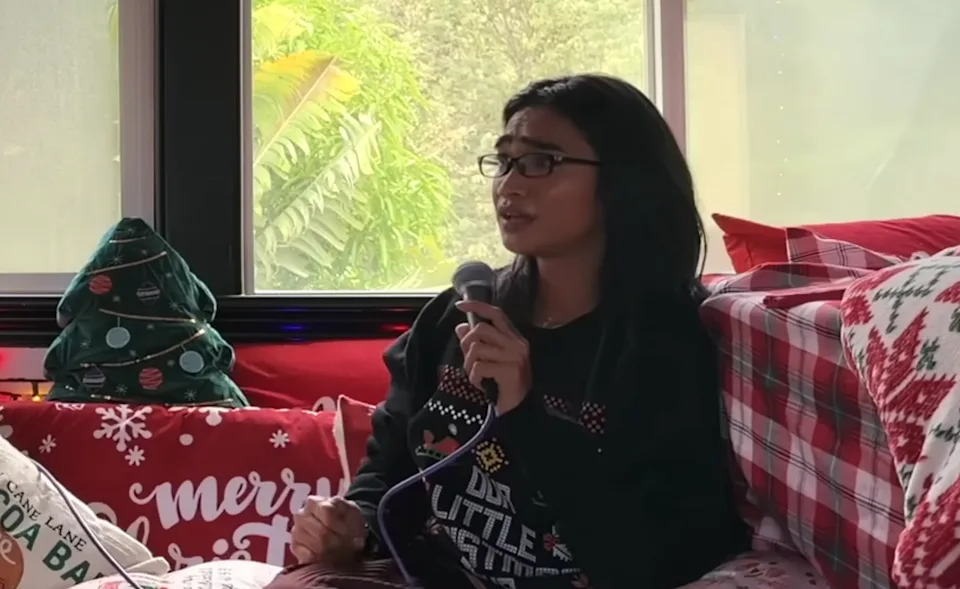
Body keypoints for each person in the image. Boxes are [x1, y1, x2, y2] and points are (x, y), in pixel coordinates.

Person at [267, 74, 750, 589]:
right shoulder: (457, 316)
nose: (509, 185)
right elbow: (389, 472)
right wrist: (352, 525)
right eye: (504, 162)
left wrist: (525, 412)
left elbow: (662, 558)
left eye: (541, 162)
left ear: (623, 179)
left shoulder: (673, 344)